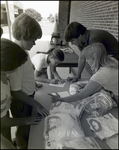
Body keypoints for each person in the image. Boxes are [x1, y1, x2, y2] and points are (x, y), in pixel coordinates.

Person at [8, 13, 49, 149]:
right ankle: (22, 146)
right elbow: (16, 91)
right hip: (22, 102)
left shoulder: (23, 52)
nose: (35, 43)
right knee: (24, 127)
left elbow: (23, 77)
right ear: (24, 36)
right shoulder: (17, 56)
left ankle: (21, 142)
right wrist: (37, 105)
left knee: (26, 127)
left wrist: (33, 83)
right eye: (33, 40)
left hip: (27, 98)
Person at [1, 38, 41, 149]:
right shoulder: (2, 89)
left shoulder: (4, 78)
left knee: (7, 136)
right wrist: (26, 120)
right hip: (3, 123)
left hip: (4, 114)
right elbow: (2, 122)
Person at [50, 43, 118, 105]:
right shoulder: (111, 60)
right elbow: (103, 82)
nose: (87, 62)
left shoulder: (100, 74)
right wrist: (88, 85)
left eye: (87, 59)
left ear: (94, 59)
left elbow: (80, 96)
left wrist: (60, 99)